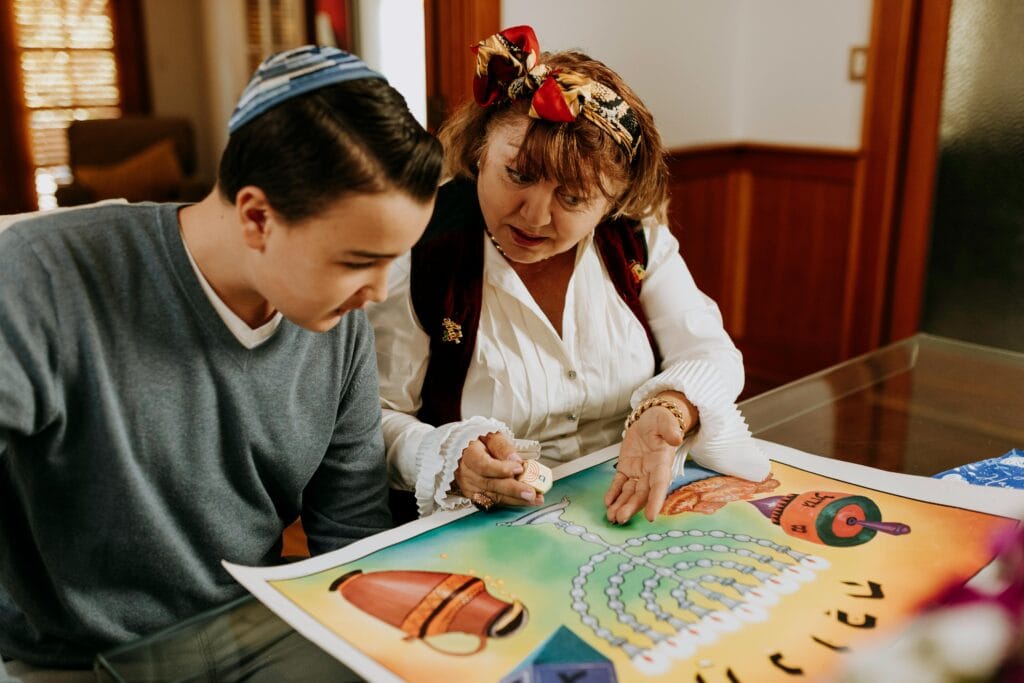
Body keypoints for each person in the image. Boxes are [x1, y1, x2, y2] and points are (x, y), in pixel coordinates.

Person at [0, 45, 442, 673]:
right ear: (258, 215)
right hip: (71, 658)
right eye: (355, 261)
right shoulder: (41, 279)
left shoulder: (340, 328)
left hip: (250, 634)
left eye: (391, 261)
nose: (375, 293)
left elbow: (351, 543)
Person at [369, 26, 770, 526]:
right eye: (517, 175)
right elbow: (374, 419)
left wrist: (670, 408)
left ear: (612, 201)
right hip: (478, 526)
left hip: (630, 505)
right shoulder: (423, 250)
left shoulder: (635, 239)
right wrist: (445, 454)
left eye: (573, 197)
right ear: (480, 151)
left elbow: (709, 350)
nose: (534, 216)